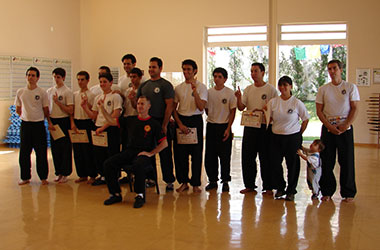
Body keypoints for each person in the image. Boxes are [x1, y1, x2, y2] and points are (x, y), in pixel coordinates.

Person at [103, 96, 168, 208]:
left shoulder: (154, 124)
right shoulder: (130, 120)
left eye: (142, 104)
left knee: (138, 165)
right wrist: (102, 109)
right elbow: (112, 121)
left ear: (149, 106)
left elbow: (164, 143)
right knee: (108, 164)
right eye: (138, 104)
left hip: (144, 153)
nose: (139, 106)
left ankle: (140, 195)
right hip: (130, 151)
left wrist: (151, 153)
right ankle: (115, 194)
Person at [316, 59, 360, 202]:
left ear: (341, 69)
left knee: (346, 161)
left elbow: (354, 108)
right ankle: (327, 191)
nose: (332, 71)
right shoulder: (323, 89)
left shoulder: (350, 87)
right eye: (329, 69)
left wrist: (345, 125)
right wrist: (329, 126)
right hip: (328, 130)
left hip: (345, 130)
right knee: (327, 161)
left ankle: (348, 193)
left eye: (334, 68)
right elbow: (319, 111)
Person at [235, 63, 278, 194]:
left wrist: (264, 110)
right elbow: (241, 107)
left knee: (266, 157)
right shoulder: (248, 89)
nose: (253, 74)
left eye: (256, 71)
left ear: (263, 72)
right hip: (250, 126)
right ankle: (249, 185)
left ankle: (268, 187)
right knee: (248, 157)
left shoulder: (271, 90)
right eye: (251, 71)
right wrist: (238, 97)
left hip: (265, 127)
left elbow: (275, 108)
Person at [136, 57, 176, 191]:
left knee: (165, 153)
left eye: (154, 67)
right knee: (148, 152)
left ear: (160, 68)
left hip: (161, 122)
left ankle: (169, 180)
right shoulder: (144, 86)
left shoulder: (166, 85)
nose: (151, 69)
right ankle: (150, 178)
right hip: (147, 123)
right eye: (149, 67)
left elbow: (169, 106)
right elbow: (138, 105)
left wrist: (164, 125)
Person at [267, 76, 309, 201]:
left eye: (285, 85)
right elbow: (268, 118)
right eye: (280, 85)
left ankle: (291, 190)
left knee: (293, 164)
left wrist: (298, 134)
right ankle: (280, 187)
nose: (283, 88)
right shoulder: (273, 102)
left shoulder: (296, 102)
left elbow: (305, 119)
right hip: (275, 137)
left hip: (292, 138)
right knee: (275, 163)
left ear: (291, 87)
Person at [81, 72, 122, 186]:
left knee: (112, 154)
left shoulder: (115, 97)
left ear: (110, 83)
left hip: (110, 129)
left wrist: (103, 127)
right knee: (99, 154)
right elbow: (94, 116)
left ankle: (113, 177)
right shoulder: (98, 98)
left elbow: (115, 115)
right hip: (98, 129)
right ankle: (103, 175)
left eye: (105, 82)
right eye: (101, 82)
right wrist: (84, 107)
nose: (102, 84)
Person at [173, 59, 208, 193]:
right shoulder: (179, 88)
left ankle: (195, 183)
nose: (186, 72)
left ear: (195, 71)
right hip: (181, 120)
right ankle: (183, 182)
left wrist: (195, 92)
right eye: (184, 69)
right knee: (180, 154)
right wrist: (179, 124)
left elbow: (201, 107)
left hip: (195, 120)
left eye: (188, 69)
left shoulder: (201, 87)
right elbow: (173, 108)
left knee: (196, 154)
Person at [15, 67, 51, 185]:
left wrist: (46, 121)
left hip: (38, 125)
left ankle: (43, 177)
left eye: (33, 75)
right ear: (26, 77)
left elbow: (46, 110)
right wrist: (26, 117)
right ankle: (25, 177)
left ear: (37, 78)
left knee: (41, 152)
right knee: (24, 152)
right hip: (25, 125)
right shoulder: (20, 92)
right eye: (29, 75)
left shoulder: (42, 92)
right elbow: (18, 109)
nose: (31, 77)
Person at [205, 67, 236, 192]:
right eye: (215, 76)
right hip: (212, 126)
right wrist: (213, 118)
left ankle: (225, 181)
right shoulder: (208, 92)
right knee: (210, 155)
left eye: (219, 77)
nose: (217, 79)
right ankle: (212, 180)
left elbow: (233, 111)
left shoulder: (230, 93)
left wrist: (228, 128)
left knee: (225, 155)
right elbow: (206, 109)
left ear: (225, 79)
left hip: (224, 126)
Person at [46, 67, 74, 183]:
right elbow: (47, 109)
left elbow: (70, 110)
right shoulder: (49, 91)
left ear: (63, 78)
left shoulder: (67, 91)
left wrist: (58, 102)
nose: (56, 79)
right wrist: (49, 122)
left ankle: (66, 173)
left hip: (64, 121)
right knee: (55, 148)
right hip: (53, 121)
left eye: (58, 77)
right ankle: (58, 172)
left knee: (65, 148)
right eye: (54, 77)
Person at [70, 71, 97, 184]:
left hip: (88, 123)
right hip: (77, 123)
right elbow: (71, 111)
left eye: (82, 79)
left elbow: (94, 111)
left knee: (88, 151)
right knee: (77, 150)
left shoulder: (92, 95)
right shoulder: (75, 94)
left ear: (87, 80)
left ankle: (92, 174)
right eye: (78, 79)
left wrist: (86, 104)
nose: (80, 82)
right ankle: (82, 174)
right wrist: (72, 123)